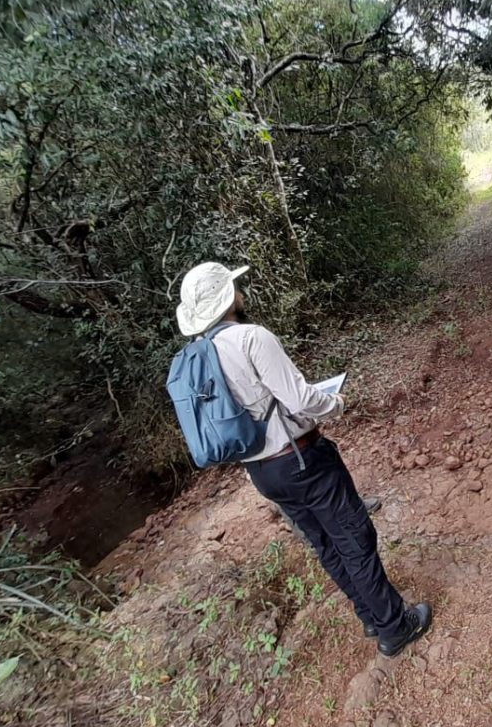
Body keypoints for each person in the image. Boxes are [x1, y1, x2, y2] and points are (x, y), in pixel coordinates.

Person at [174, 261, 431, 656]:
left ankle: (369, 614)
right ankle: (396, 626)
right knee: (354, 537)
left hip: (261, 472)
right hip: (302, 459)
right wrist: (335, 403)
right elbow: (300, 400)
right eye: (234, 287)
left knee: (325, 542)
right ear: (229, 298)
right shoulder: (250, 338)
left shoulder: (200, 357)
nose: (241, 292)